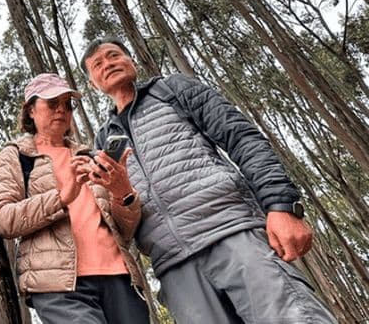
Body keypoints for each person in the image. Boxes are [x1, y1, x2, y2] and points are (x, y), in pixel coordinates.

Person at [81, 37, 335, 323]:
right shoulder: (103, 140)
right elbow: (119, 220)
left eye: (114, 55)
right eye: (98, 65)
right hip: (173, 267)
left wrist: (281, 205)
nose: (109, 64)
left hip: (231, 230)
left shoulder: (172, 89)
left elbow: (240, 138)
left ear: (132, 61)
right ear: (93, 85)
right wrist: (121, 194)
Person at [0, 73, 150, 324]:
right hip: (59, 286)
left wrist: (123, 194)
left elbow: (124, 231)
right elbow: (2, 218)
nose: (62, 110)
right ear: (31, 110)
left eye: (67, 104)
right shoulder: (17, 156)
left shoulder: (91, 155)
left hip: (121, 277)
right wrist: (62, 197)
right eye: (52, 103)